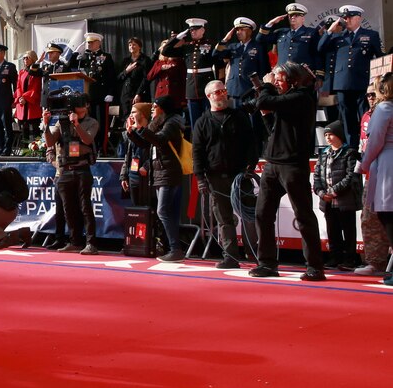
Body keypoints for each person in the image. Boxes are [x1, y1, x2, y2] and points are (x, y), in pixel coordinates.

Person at [249, 63, 325, 280]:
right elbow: (274, 128)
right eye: (276, 79)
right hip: (272, 163)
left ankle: (315, 266)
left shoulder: (301, 97)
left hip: (292, 165)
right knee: (263, 214)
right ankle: (267, 263)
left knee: (303, 215)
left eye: (280, 79)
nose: (276, 82)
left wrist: (265, 85)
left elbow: (264, 99)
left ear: (293, 79)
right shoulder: (288, 100)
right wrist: (265, 115)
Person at [191, 80, 257, 268]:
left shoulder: (239, 116)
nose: (222, 94)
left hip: (240, 176)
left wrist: (250, 166)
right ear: (209, 96)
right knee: (224, 219)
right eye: (218, 92)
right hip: (215, 178)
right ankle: (231, 256)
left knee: (250, 216)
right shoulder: (202, 122)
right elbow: (197, 152)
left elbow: (251, 143)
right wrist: (200, 178)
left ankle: (255, 254)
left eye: (224, 91)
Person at [126, 95, 186, 262]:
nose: (152, 109)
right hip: (161, 173)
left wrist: (141, 128)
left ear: (163, 108)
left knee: (162, 211)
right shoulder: (158, 124)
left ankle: (175, 248)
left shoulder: (172, 124)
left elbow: (159, 141)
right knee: (169, 213)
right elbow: (147, 145)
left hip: (169, 172)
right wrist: (132, 133)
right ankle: (174, 249)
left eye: (155, 106)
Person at [318, 5, 383, 148]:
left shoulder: (370, 35)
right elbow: (320, 48)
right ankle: (351, 148)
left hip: (362, 82)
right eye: (344, 17)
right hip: (342, 83)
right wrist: (329, 31)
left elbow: (379, 57)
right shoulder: (337, 36)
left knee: (365, 115)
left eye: (349, 17)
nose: (345, 20)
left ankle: (368, 144)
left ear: (358, 18)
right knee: (347, 118)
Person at [43, 95, 99, 255]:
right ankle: (74, 241)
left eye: (81, 104)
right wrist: (46, 125)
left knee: (85, 207)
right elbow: (49, 142)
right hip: (65, 170)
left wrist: (76, 124)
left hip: (82, 169)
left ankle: (91, 243)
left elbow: (87, 140)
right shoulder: (62, 122)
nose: (79, 106)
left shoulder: (92, 122)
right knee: (68, 209)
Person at [359, 72, 393, 286]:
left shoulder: (384, 108)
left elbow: (375, 141)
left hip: (387, 164)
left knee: (387, 215)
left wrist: (363, 164)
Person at [314, 120, 361, 270]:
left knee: (348, 230)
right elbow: (316, 178)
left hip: (345, 200)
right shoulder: (323, 154)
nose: (327, 137)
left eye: (331, 134)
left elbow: (351, 176)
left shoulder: (350, 153)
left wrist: (334, 191)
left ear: (339, 135)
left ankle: (350, 259)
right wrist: (322, 193)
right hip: (327, 201)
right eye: (326, 134)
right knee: (332, 230)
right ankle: (335, 257)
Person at [160, 18, 217, 127]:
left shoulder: (211, 44)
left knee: (209, 120)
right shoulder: (187, 46)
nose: (193, 32)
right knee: (194, 122)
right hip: (191, 87)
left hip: (206, 84)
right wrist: (178, 37)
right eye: (191, 30)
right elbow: (165, 51)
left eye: (196, 29)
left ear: (203, 30)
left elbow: (218, 63)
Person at [68, 33, 117, 154]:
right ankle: (89, 146)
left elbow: (111, 77)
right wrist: (75, 54)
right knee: (87, 121)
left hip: (101, 95)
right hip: (87, 96)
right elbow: (68, 67)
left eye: (91, 42)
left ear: (99, 43)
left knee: (100, 122)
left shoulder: (106, 57)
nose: (89, 44)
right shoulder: (84, 57)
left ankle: (101, 147)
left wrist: (110, 93)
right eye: (88, 42)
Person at [256, 2, 323, 72]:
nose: (293, 17)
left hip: (302, 75)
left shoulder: (311, 32)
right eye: (290, 15)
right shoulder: (281, 32)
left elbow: (317, 54)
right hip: (282, 74)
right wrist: (270, 23)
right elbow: (260, 39)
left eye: (296, 15)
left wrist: (319, 75)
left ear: (303, 18)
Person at [119, 102, 154, 207]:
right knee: (137, 211)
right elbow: (128, 155)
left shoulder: (152, 130)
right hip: (133, 176)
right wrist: (124, 176)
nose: (130, 115)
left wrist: (147, 166)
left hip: (146, 177)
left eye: (133, 112)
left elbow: (153, 150)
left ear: (142, 114)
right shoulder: (132, 131)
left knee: (148, 212)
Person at [116, 37, 150, 135]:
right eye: (130, 45)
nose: (131, 46)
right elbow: (118, 78)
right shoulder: (126, 61)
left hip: (138, 93)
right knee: (127, 119)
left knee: (138, 119)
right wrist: (127, 70)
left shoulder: (145, 60)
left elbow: (146, 78)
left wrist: (138, 94)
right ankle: (127, 141)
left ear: (140, 47)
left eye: (134, 44)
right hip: (126, 94)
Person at [13, 52, 43, 142]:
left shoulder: (36, 73)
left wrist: (25, 98)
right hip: (22, 103)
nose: (25, 60)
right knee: (23, 127)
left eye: (27, 58)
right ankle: (24, 149)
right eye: (24, 58)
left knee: (35, 128)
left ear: (32, 59)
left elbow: (36, 87)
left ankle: (37, 148)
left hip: (32, 102)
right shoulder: (22, 72)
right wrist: (20, 98)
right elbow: (18, 87)